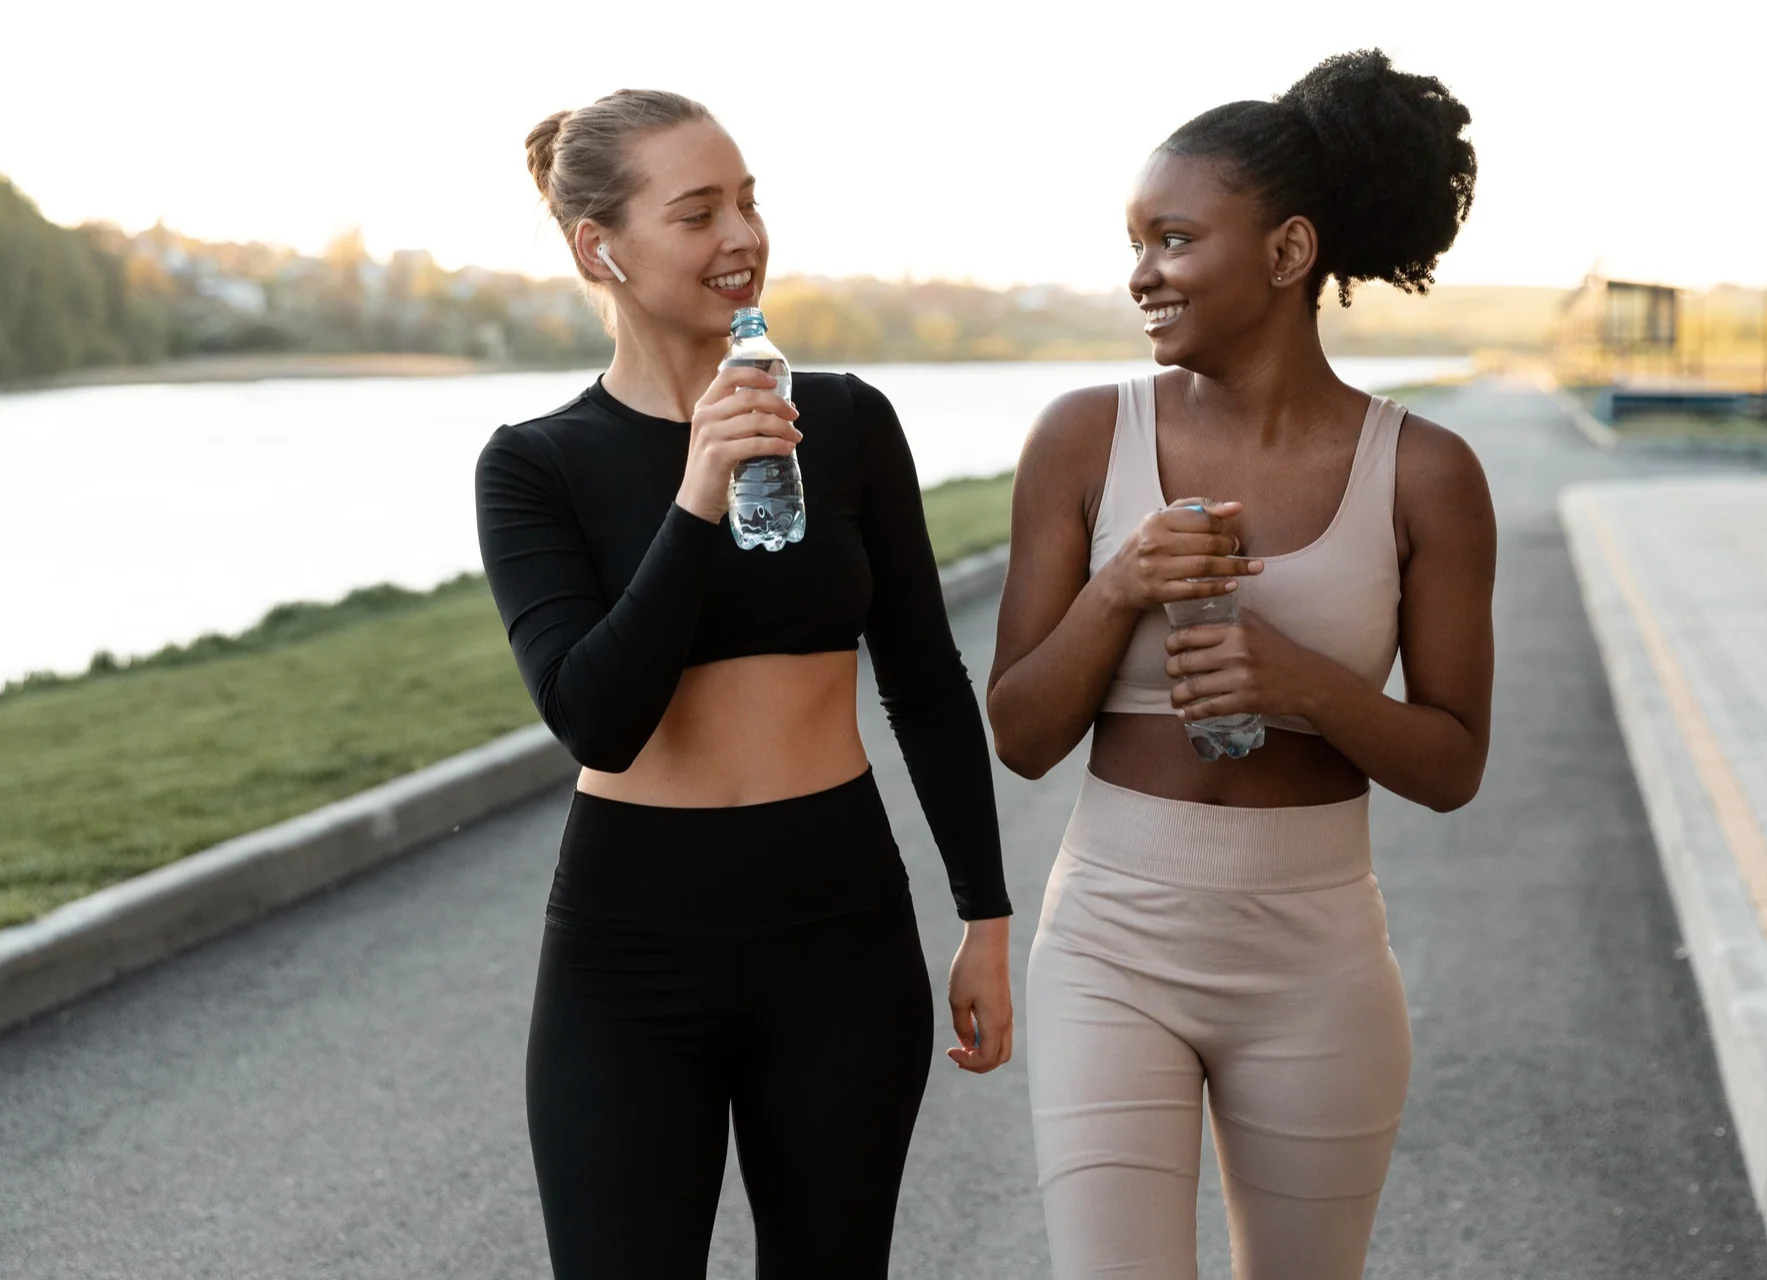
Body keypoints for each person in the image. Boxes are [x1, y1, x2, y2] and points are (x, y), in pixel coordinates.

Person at [474, 89, 1013, 1280]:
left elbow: (924, 677)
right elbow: (594, 715)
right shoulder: (535, 463)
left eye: (750, 200)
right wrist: (697, 491)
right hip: (632, 954)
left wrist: (984, 913)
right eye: (698, 211)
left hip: (842, 942)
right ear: (598, 247)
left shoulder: (848, 419)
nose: (742, 236)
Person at [987, 50, 1495, 1280]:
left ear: (1286, 253)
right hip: (1110, 939)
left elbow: (1453, 763)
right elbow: (1017, 727)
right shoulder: (1081, 438)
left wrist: (1303, 685)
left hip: (1316, 955)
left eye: (1172, 239)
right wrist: (1123, 586)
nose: (1139, 274)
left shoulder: (1425, 473)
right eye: (1135, 241)